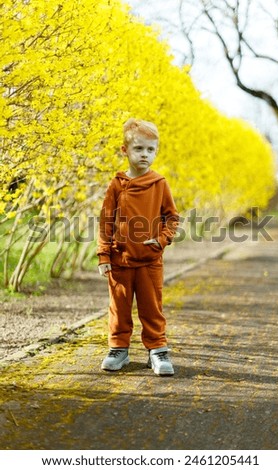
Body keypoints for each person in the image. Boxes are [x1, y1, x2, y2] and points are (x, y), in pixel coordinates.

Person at [97, 118, 179, 376]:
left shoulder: (159, 183)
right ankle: (118, 349)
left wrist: (162, 240)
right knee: (118, 309)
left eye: (150, 150)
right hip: (120, 260)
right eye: (139, 149)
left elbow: (172, 218)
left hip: (150, 261)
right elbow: (105, 221)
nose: (145, 154)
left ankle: (157, 350)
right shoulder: (117, 185)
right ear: (125, 150)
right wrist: (103, 254)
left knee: (152, 308)